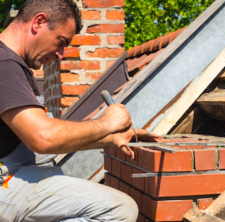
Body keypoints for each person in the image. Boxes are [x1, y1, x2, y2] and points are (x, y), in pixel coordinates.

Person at [0, 0, 159, 221]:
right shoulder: (4, 64)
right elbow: (43, 138)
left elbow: (38, 140)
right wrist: (106, 123)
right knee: (118, 209)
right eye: (61, 41)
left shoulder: (13, 65)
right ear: (39, 22)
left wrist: (111, 138)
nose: (60, 54)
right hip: (6, 184)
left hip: (17, 175)